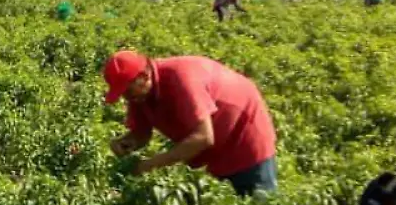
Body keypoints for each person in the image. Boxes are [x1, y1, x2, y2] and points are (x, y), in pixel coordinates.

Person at [102, 50, 277, 196]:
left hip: (244, 133)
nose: (127, 98)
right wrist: (127, 142)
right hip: (211, 148)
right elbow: (141, 133)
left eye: (128, 92)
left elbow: (203, 137)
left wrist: (151, 165)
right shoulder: (139, 95)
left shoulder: (181, 78)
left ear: (145, 76)